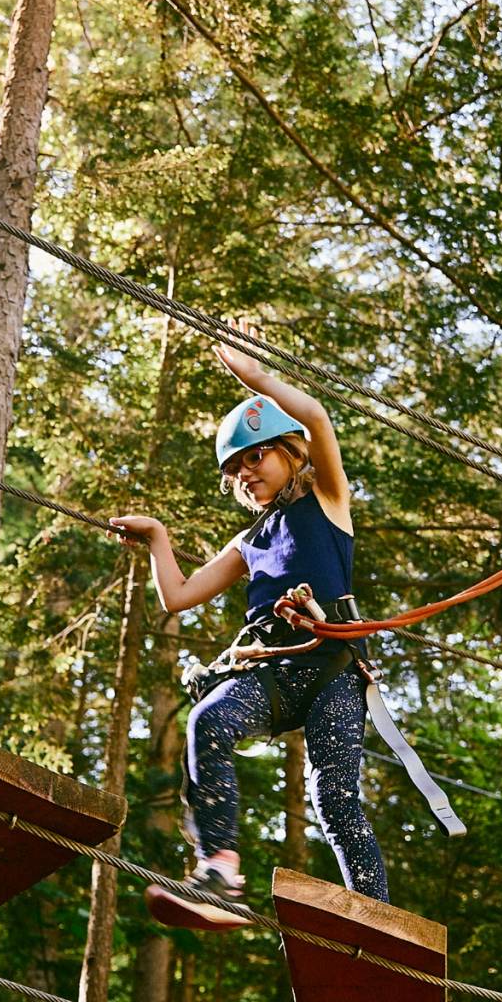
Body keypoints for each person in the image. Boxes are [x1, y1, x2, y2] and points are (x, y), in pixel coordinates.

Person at [109, 333, 392, 929]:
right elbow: (179, 596)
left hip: (334, 670)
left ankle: (376, 919)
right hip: (274, 670)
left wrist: (258, 379)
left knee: (334, 798)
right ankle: (220, 872)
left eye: (255, 458)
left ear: (289, 451)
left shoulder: (327, 499)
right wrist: (160, 538)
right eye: (235, 471)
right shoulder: (249, 541)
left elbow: (316, 416)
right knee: (208, 721)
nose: (245, 475)